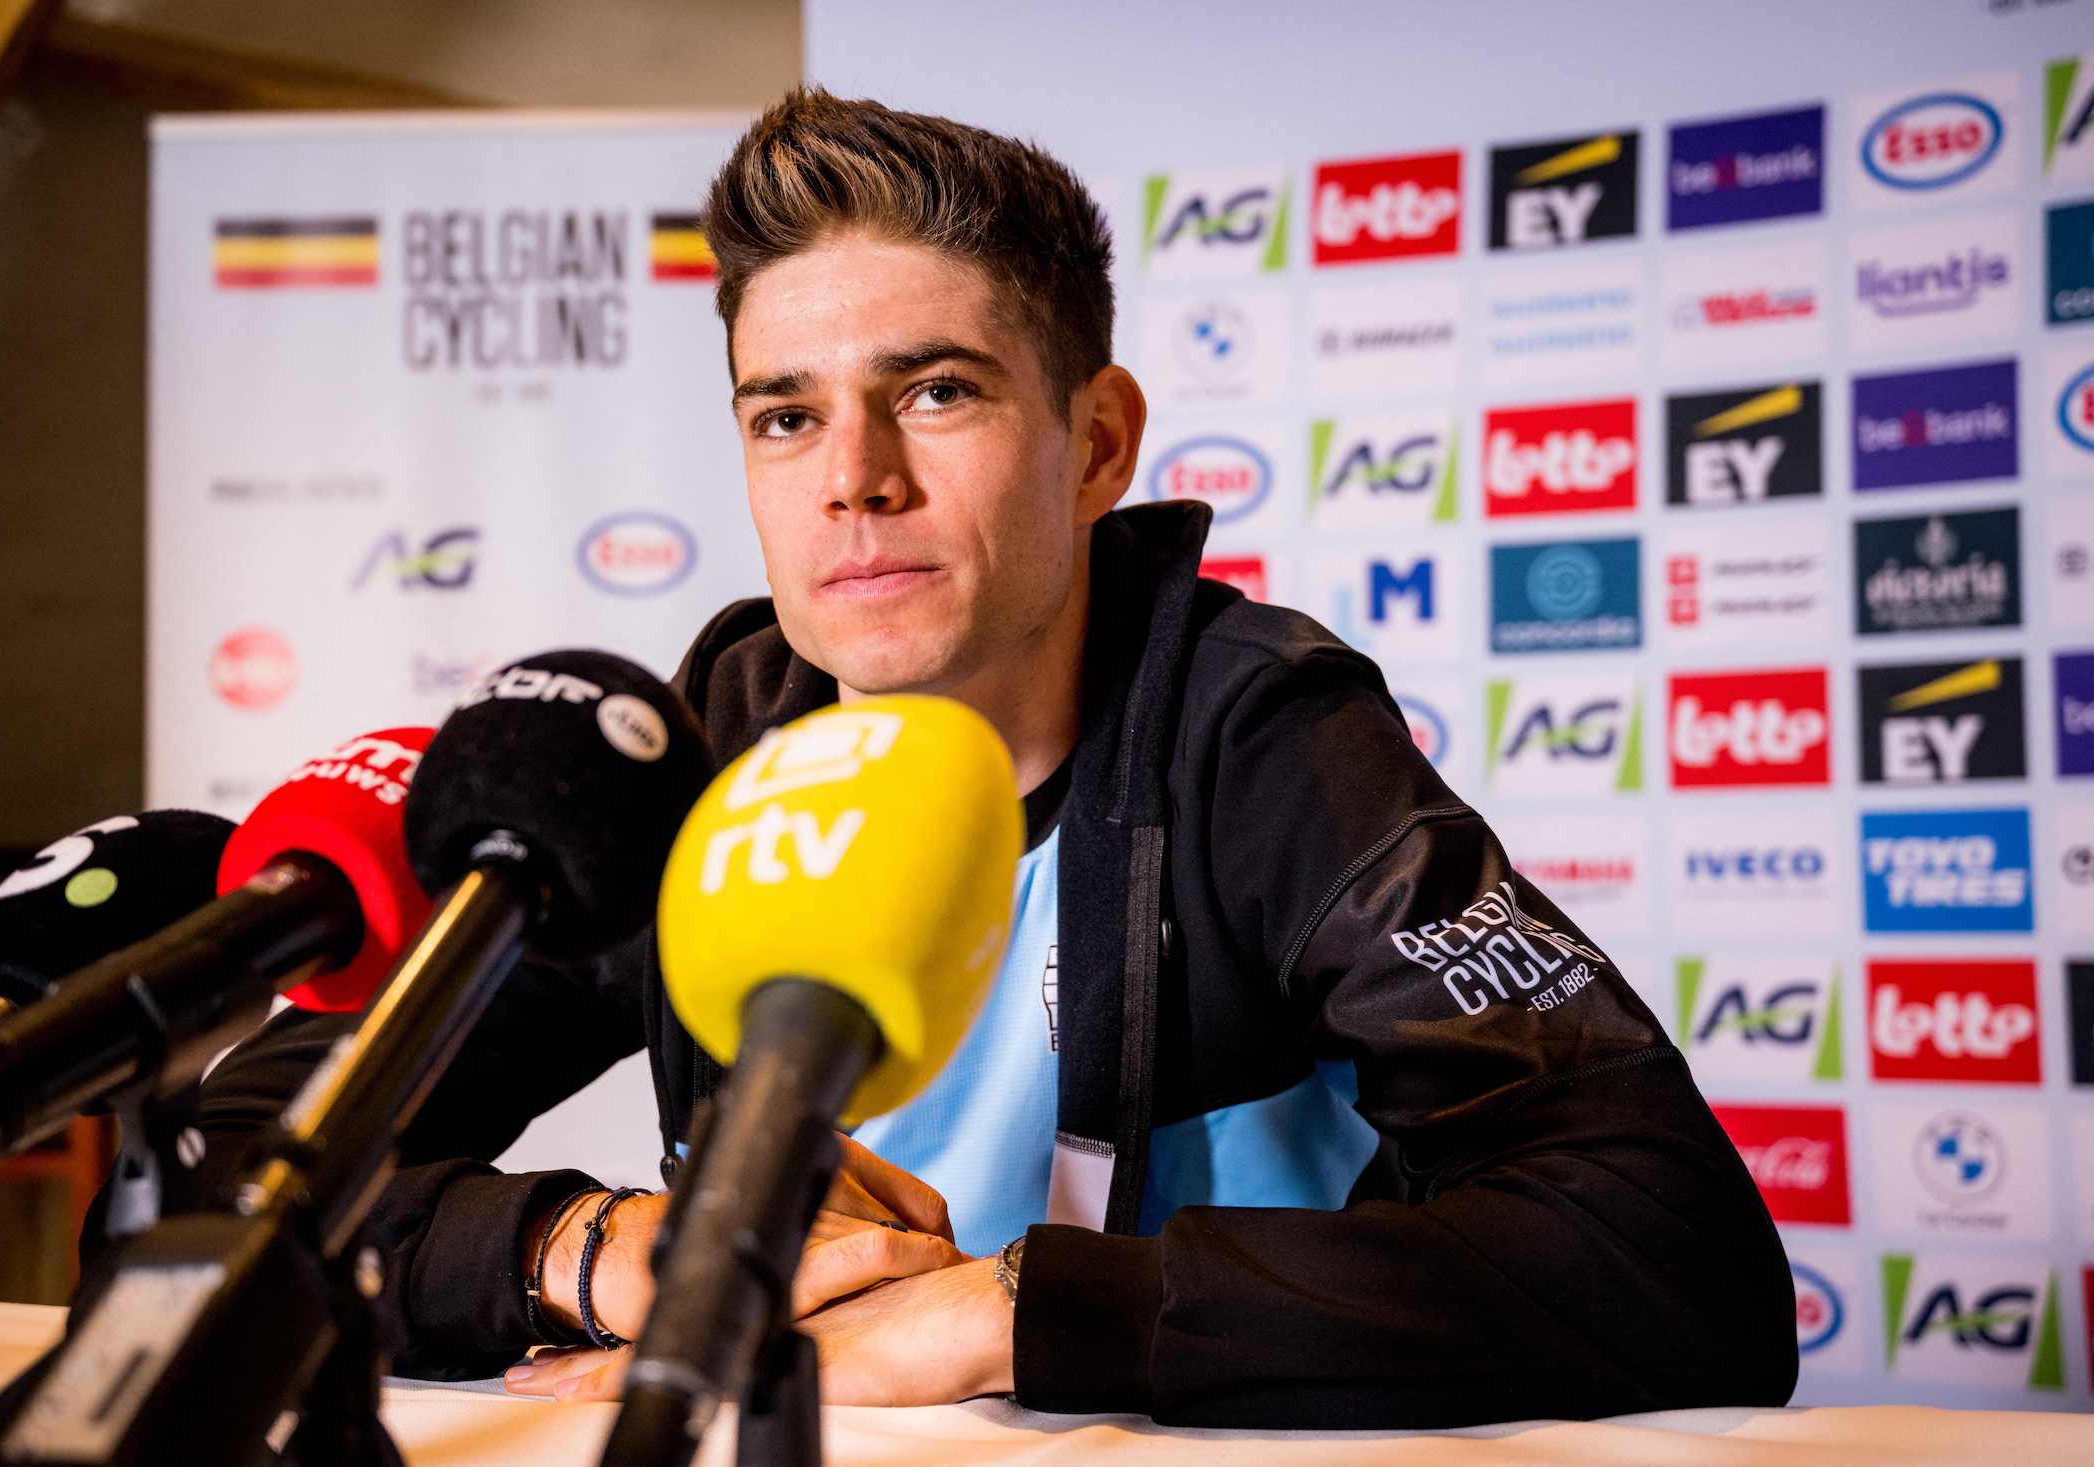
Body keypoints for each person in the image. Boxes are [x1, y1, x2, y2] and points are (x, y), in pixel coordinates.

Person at [160, 88, 1796, 1427]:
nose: (851, 478)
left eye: (933, 393)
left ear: (1094, 444)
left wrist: (1014, 1313)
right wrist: (597, 1250)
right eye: (784, 415)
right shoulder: (697, 753)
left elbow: (1665, 1253)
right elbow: (244, 1161)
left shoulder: (1261, 737)